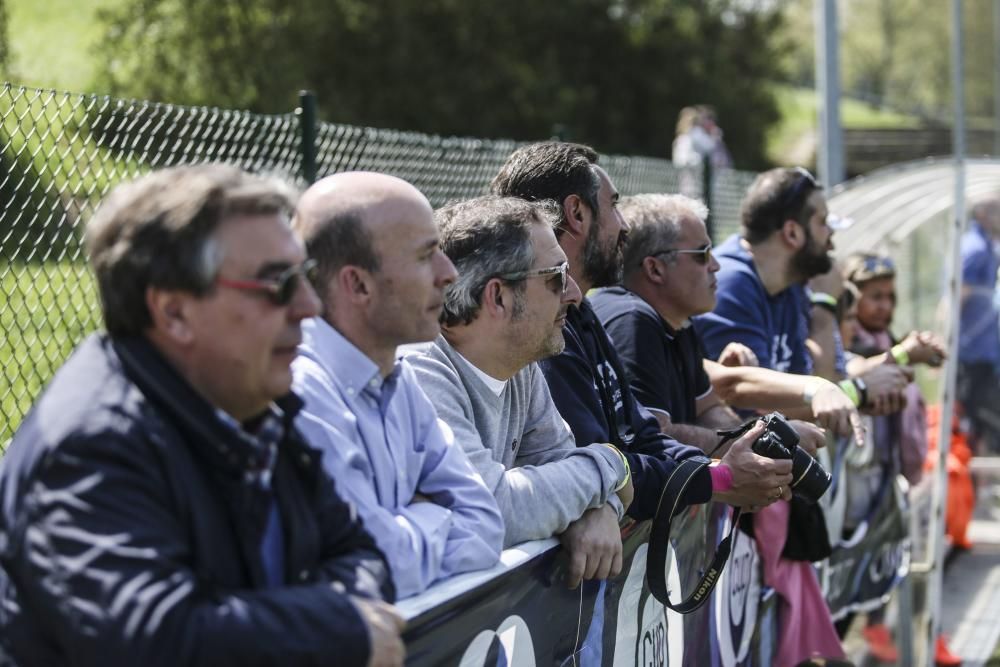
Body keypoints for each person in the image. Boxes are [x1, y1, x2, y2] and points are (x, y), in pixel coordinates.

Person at [0, 165, 403, 666]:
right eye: (277, 283)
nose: (308, 305)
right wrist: (341, 627)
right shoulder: (92, 444)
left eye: (303, 276)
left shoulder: (254, 405)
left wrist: (321, 611)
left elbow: (356, 551)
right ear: (174, 313)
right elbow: (154, 639)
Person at [490, 141, 793, 520]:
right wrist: (717, 479)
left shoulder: (583, 316)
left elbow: (642, 437)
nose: (625, 225)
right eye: (614, 205)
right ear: (577, 213)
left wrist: (719, 471)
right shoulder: (547, 331)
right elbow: (591, 467)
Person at [290, 172, 504, 599]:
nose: (448, 273)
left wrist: (402, 526)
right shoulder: (303, 395)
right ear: (358, 284)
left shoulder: (396, 377)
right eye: (426, 256)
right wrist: (432, 517)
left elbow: (486, 523)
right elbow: (370, 560)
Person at [692, 166, 857, 667]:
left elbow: (809, 388)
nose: (830, 236)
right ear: (792, 232)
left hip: (761, 507)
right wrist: (821, 388)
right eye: (823, 222)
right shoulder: (731, 284)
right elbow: (744, 392)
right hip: (723, 515)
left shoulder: (788, 286)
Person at [590, 192, 861, 454]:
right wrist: (764, 442)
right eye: (702, 254)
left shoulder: (677, 324)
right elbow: (654, 439)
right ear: (655, 269)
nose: (716, 265)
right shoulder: (632, 320)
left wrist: (758, 447)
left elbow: (709, 411)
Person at [840, 252, 959, 667]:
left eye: (890, 297)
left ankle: (886, 645)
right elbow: (853, 375)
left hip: (892, 479)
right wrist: (906, 354)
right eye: (874, 297)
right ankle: (851, 646)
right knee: (848, 582)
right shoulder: (850, 345)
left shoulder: (889, 340)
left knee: (888, 570)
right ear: (851, 299)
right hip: (854, 489)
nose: (885, 306)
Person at [958, 196, 1000, 454]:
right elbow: (956, 296)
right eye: (996, 211)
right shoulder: (975, 249)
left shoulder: (988, 247)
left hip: (985, 352)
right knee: (977, 417)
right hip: (971, 353)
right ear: (982, 214)